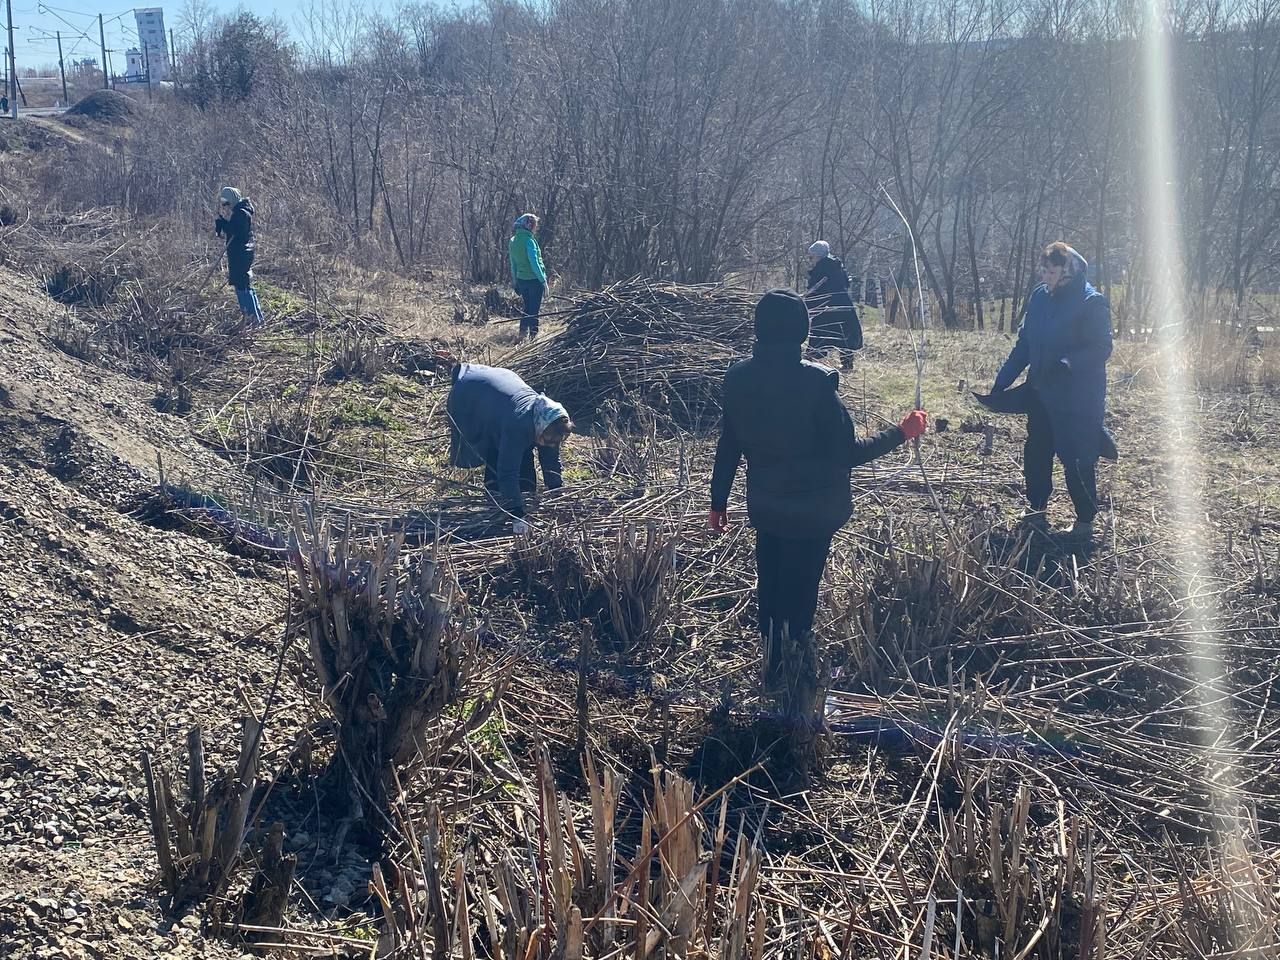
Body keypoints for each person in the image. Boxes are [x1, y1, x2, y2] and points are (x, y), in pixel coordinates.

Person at [708, 288, 927, 685]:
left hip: (766, 507)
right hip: (813, 513)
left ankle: (774, 663)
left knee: (771, 586)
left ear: (758, 330)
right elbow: (847, 455)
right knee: (800, 593)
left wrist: (717, 500)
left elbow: (729, 444)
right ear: (803, 333)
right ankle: (796, 672)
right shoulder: (818, 383)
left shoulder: (738, 377)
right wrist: (902, 432)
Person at [990, 242, 1112, 542]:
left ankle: (1084, 521)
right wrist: (1002, 380)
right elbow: (1025, 344)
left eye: (1052, 271)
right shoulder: (1039, 297)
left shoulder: (1091, 302)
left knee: (1077, 457)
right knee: (1036, 451)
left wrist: (1068, 363)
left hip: (1077, 398)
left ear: (1068, 271)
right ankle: (1036, 510)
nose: (1046, 276)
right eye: (1042, 270)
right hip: (1041, 392)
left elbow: (1102, 348)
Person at [446, 362, 572, 534]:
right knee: (496, 450)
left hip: (500, 389)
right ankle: (496, 504)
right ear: (541, 428)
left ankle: (519, 498)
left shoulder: (553, 420)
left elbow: (550, 462)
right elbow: (508, 471)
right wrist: (517, 514)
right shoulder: (519, 424)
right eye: (547, 440)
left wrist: (557, 494)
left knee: (521, 451)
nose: (549, 445)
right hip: (470, 394)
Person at [803, 241, 863, 371]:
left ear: (819, 256)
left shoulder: (822, 268)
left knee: (821, 331)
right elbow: (845, 283)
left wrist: (807, 304)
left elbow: (816, 290)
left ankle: (809, 360)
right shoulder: (836, 265)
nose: (810, 260)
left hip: (828, 306)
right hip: (842, 304)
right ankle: (847, 363)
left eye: (811, 257)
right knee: (844, 333)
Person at [215, 186, 264, 328]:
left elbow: (236, 232)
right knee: (245, 285)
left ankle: (252, 320)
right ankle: (257, 319)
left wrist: (223, 224)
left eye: (227, 203)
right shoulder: (242, 211)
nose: (226, 206)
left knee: (242, 287)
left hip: (241, 255)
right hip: (242, 254)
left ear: (232, 200)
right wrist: (223, 223)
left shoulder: (242, 213)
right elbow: (234, 230)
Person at [508, 213, 547, 340]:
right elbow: (534, 263)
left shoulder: (513, 241)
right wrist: (543, 281)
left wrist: (515, 281)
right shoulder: (529, 241)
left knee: (526, 308)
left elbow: (513, 264)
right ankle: (533, 337)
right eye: (534, 225)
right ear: (529, 225)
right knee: (534, 310)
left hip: (521, 280)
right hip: (534, 281)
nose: (536, 228)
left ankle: (521, 334)